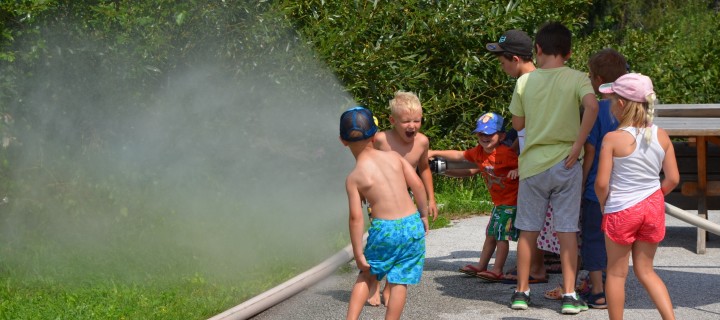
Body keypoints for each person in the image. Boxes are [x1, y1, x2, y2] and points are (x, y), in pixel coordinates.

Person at [508, 21, 599, 314]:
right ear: (569, 53)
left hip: (533, 165)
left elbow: (518, 123)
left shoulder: (524, 82)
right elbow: (593, 107)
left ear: (537, 49)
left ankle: (521, 292)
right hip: (567, 162)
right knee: (567, 230)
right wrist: (577, 144)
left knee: (528, 231)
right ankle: (570, 295)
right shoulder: (577, 79)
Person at [595, 73, 679, 320]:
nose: (610, 106)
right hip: (652, 208)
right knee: (646, 271)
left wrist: (603, 203)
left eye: (611, 101)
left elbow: (601, 183)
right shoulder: (661, 135)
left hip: (622, 209)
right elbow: (673, 179)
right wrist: (652, 197)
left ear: (621, 104)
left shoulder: (612, 139)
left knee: (616, 273)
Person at [340, 106, 429, 320]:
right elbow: (417, 184)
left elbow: (356, 217)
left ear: (343, 141)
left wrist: (358, 253)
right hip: (411, 225)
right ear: (374, 134)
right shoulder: (394, 158)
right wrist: (423, 215)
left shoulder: (354, 178)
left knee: (367, 274)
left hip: (385, 230)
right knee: (400, 281)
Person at [484, 28, 553, 286]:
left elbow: (526, 124)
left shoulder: (528, 83)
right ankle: (537, 265)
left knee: (529, 220)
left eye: (503, 63)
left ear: (515, 59)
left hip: (536, 161)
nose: (502, 68)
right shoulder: (543, 79)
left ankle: (535, 269)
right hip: (539, 158)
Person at [429, 112, 519, 282]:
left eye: (490, 133)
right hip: (499, 203)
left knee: (501, 235)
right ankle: (481, 265)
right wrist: (433, 152)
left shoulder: (506, 153)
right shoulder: (478, 152)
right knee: (490, 234)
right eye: (481, 133)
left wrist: (519, 169)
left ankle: (497, 269)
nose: (485, 137)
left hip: (511, 203)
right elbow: (459, 155)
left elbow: (527, 162)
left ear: (501, 136)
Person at [368, 90, 437, 306]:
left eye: (417, 120)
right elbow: (365, 165)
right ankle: (373, 285)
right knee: (380, 244)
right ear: (392, 120)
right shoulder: (380, 140)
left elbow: (424, 169)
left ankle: (391, 286)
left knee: (402, 244)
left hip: (405, 199)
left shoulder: (422, 142)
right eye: (406, 121)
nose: (412, 126)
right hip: (380, 198)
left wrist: (431, 199)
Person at [578, 48, 629, 309]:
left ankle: (597, 290)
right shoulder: (633, 108)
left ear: (598, 80)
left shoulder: (597, 108)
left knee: (593, 237)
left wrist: (582, 180)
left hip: (597, 188)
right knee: (616, 238)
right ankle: (614, 284)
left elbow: (590, 149)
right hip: (627, 191)